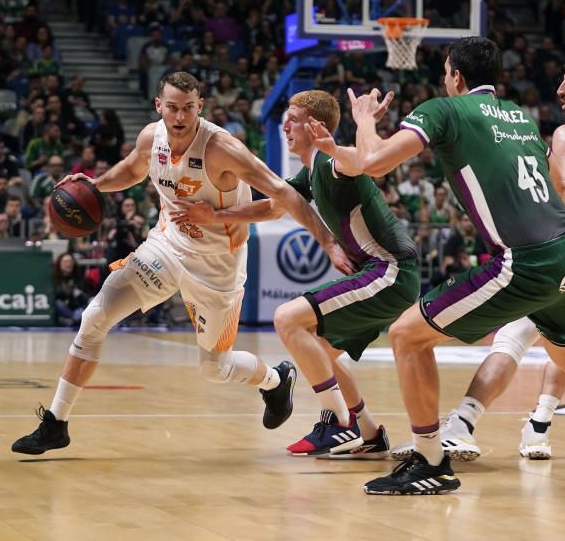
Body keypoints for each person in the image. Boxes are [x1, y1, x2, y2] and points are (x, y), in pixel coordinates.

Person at [309, 38, 565, 494]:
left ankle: (431, 460)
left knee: (406, 335)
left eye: (445, 72)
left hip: (528, 259)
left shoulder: (445, 109)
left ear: (456, 77)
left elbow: (375, 163)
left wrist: (363, 121)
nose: (445, 80)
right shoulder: (520, 117)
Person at [11, 72, 354, 455]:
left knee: (214, 368)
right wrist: (93, 186)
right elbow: (131, 169)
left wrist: (327, 242)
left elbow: (281, 195)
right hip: (166, 248)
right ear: (159, 106)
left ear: (199, 107)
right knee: (95, 318)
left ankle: (275, 380)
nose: (179, 116)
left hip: (217, 266)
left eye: (187, 109)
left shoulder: (222, 148)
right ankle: (56, 423)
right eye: (172, 107)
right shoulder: (151, 137)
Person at [172, 90, 420, 458]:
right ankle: (368, 433)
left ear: (316, 125)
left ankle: (338, 424)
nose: (284, 125)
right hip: (381, 274)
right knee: (322, 350)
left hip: (390, 271)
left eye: (293, 118)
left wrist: (341, 144)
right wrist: (217, 216)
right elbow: (274, 208)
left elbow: (361, 162)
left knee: (287, 319)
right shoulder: (310, 171)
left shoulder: (330, 163)